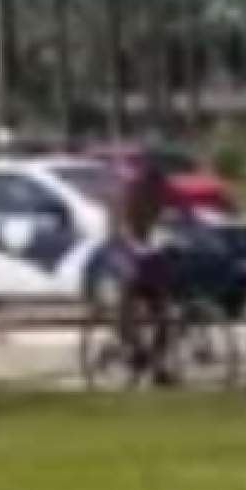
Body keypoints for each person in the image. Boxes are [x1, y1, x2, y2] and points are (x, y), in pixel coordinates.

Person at [103, 154, 182, 385]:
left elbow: (171, 222)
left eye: (160, 187)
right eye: (154, 185)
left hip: (146, 254)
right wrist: (133, 247)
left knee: (164, 314)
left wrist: (172, 242)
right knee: (128, 294)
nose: (159, 191)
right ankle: (131, 347)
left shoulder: (159, 199)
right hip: (122, 252)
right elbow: (117, 233)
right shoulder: (124, 197)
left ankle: (158, 366)